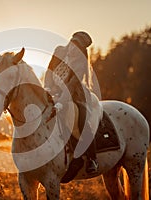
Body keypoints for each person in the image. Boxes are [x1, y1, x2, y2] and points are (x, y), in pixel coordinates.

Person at [44, 31, 102, 174]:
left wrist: (60, 103)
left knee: (81, 119)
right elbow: (49, 70)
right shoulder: (59, 50)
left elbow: (70, 86)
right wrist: (47, 87)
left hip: (75, 95)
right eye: (72, 43)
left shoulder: (81, 63)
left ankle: (91, 158)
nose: (73, 48)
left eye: (77, 47)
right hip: (53, 91)